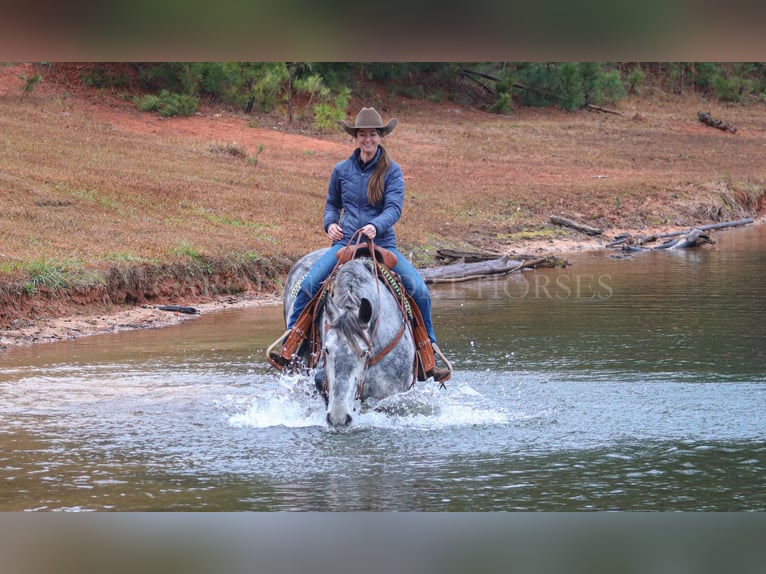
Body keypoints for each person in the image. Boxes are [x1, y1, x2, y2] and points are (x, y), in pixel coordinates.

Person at [270, 107, 451, 383]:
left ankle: (429, 354)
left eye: (373, 134)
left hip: (382, 246)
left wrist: (376, 226)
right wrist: (330, 223)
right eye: (363, 134)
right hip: (346, 243)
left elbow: (394, 208)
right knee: (309, 285)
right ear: (356, 137)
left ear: (380, 137)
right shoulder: (341, 170)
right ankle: (292, 343)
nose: (368, 139)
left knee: (419, 290)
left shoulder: (392, 171)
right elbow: (332, 204)